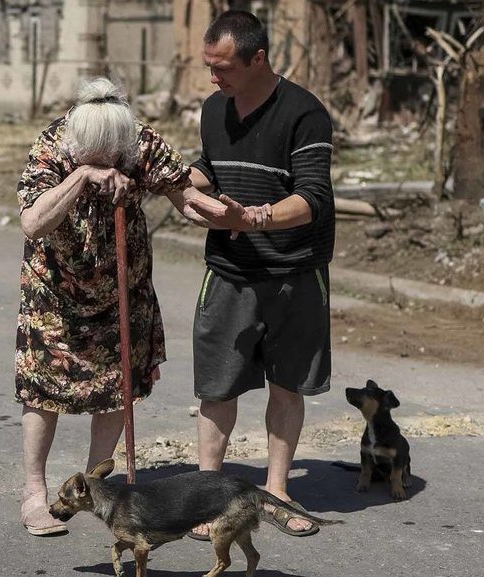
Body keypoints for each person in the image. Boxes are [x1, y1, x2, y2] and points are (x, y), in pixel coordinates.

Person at [14, 77, 199, 536]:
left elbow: (187, 199)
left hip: (123, 291)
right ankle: (34, 492)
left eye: (111, 155)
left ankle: (96, 488)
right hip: (56, 293)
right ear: (76, 142)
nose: (105, 161)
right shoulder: (54, 145)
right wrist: (80, 177)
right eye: (92, 155)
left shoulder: (140, 143)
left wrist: (239, 215)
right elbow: (33, 222)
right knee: (44, 389)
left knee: (120, 388)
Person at [183, 10, 336, 539]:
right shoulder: (213, 108)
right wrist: (187, 188)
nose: (213, 77)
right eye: (209, 65)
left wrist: (250, 218)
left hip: (294, 272)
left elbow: (313, 198)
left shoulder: (305, 114)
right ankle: (207, 495)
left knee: (286, 385)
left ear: (258, 59)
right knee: (217, 388)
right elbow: (211, 166)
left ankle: (277, 490)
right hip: (228, 271)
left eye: (223, 66)